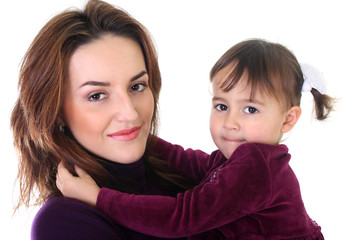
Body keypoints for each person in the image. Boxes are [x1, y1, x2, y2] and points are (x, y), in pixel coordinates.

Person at [57, 39, 334, 239]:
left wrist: (99, 198)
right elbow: (190, 162)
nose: (230, 123)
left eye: (250, 109)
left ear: (288, 119)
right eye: (222, 106)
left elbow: (181, 217)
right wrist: (137, 132)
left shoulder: (257, 166)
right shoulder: (238, 159)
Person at [10, 0, 195, 239]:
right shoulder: (64, 223)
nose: (130, 113)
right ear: (56, 112)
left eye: (137, 86)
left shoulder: (190, 176)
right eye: (97, 95)